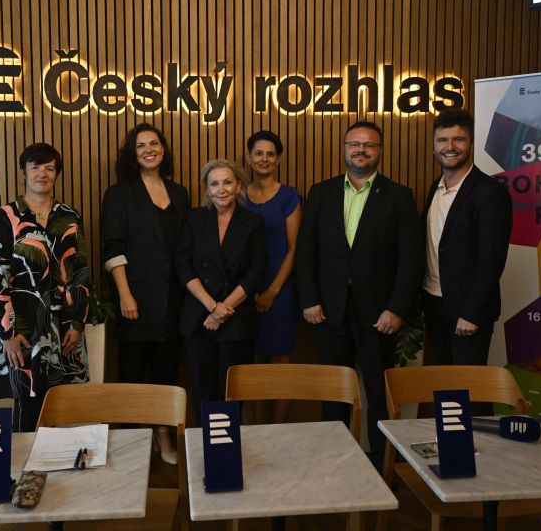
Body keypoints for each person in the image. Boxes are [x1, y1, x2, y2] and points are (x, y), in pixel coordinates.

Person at [295, 120, 423, 470]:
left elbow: (410, 260)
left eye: (369, 145)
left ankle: (382, 464)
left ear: (380, 151)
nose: (361, 150)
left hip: (379, 316)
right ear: (344, 149)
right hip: (328, 312)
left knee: (379, 393)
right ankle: (332, 462)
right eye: (354, 144)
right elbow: (306, 252)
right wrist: (309, 299)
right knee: (333, 392)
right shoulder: (321, 193)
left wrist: (397, 309)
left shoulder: (399, 196)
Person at [101, 123, 189, 464]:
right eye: (141, 145)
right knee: (133, 377)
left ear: (163, 149)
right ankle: (131, 447)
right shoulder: (119, 194)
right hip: (135, 300)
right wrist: (125, 294)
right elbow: (113, 248)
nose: (149, 150)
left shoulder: (179, 193)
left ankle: (162, 433)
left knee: (167, 374)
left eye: (154, 143)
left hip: (174, 302)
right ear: (132, 153)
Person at [0, 142, 90, 432]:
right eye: (35, 168)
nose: (42, 174)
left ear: (57, 173)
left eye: (49, 168)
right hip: (22, 324)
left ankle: (57, 461)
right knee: (27, 405)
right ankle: (25, 462)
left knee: (62, 404)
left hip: (63, 323)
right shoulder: (6, 215)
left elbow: (80, 272)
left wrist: (77, 323)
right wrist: (7, 333)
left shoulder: (69, 216)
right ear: (24, 172)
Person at [177, 159, 267, 423]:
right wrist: (212, 307)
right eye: (214, 183)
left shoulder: (253, 222)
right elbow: (183, 265)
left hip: (236, 318)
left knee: (231, 393)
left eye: (227, 182)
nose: (221, 189)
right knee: (202, 391)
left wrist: (224, 310)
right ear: (207, 189)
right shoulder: (194, 218)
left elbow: (257, 272)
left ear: (238, 185)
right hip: (199, 316)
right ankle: (205, 446)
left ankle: (227, 448)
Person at [422, 108, 512, 367]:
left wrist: (472, 313)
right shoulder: (436, 188)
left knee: (469, 384)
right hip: (434, 302)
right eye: (442, 140)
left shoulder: (490, 192)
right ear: (434, 146)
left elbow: (492, 259)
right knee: (443, 381)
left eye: (458, 139)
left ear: (470, 143)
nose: (449, 147)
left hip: (467, 311)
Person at [244, 130, 302, 423]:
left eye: (270, 154)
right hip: (243, 291)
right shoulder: (237, 195)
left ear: (278, 159)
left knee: (279, 361)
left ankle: (280, 430)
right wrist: (246, 290)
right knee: (246, 363)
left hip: (280, 290)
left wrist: (272, 291)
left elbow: (294, 248)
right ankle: (248, 431)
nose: (264, 159)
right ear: (249, 158)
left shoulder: (290, 197)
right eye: (259, 153)